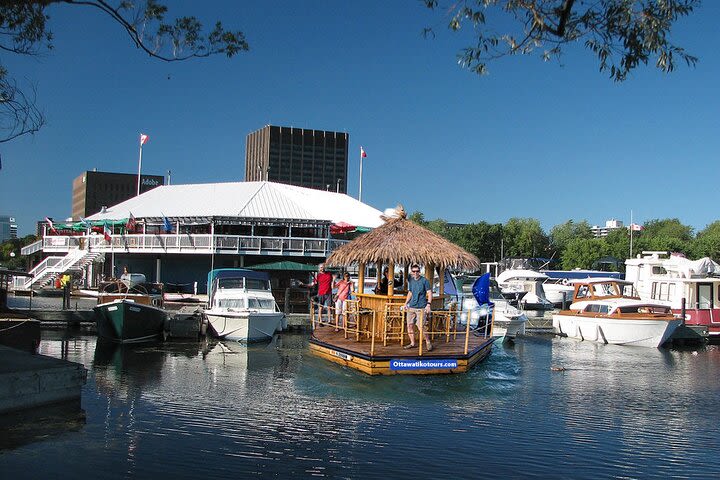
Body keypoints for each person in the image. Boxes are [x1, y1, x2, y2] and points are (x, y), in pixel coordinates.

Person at [403, 264, 433, 351]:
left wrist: (428, 304)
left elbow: (430, 293)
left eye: (417, 271)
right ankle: (412, 343)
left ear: (419, 272)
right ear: (411, 272)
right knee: (409, 325)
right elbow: (410, 292)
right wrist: (405, 303)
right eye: (414, 271)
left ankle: (428, 342)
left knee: (421, 326)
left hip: (421, 307)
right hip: (411, 306)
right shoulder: (411, 281)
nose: (415, 273)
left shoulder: (425, 281)